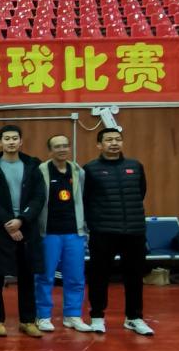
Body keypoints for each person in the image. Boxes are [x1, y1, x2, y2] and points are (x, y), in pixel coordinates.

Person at [84, 127, 154, 336]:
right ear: (99, 145)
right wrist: (96, 223)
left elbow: (140, 192)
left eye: (117, 139)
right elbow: (86, 199)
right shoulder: (90, 169)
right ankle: (97, 317)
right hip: (103, 232)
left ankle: (134, 318)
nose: (114, 143)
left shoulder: (135, 166)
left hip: (134, 231)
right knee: (99, 277)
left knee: (134, 277)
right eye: (108, 140)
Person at [0, 125, 46, 338]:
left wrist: (21, 220)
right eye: (6, 138)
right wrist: (9, 222)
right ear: (0, 142)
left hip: (27, 228)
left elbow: (39, 197)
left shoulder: (32, 166)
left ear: (20, 141)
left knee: (27, 276)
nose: (11, 142)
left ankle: (28, 321)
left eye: (14, 138)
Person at [35, 135, 94, 333]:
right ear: (50, 151)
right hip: (48, 233)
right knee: (45, 276)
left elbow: (84, 199)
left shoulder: (78, 172)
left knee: (75, 277)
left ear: (69, 148)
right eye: (57, 146)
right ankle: (43, 316)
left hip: (74, 232)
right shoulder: (41, 171)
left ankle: (72, 315)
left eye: (65, 146)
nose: (62, 149)